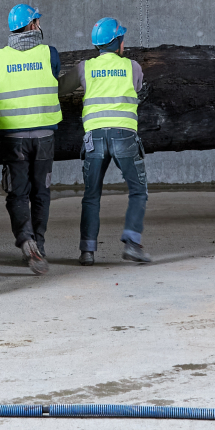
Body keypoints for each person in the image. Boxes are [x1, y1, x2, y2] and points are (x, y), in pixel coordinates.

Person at [0, 3, 58, 274]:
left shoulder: (1, 58)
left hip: (14, 140)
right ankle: (40, 245)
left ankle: (27, 241)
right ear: (33, 25)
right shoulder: (50, 54)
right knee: (41, 192)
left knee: (18, 192)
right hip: (45, 136)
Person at [74, 16, 151, 265]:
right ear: (118, 42)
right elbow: (138, 89)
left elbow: (61, 87)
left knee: (91, 195)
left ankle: (87, 251)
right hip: (124, 136)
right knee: (138, 191)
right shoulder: (133, 67)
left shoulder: (84, 67)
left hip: (94, 138)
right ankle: (132, 243)